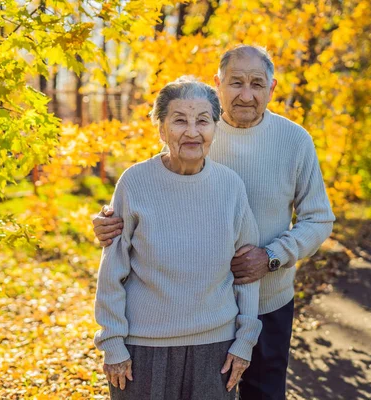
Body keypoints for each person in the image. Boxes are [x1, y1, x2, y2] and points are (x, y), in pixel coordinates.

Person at [93, 45, 336, 399]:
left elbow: (319, 218)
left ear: (272, 87)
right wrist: (105, 222)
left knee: (264, 395)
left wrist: (271, 256)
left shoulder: (294, 141)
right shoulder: (199, 127)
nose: (246, 94)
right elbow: (151, 194)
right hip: (199, 313)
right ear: (218, 84)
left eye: (257, 83)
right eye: (236, 82)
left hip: (267, 300)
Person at [93, 76, 263, 400]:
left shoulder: (231, 187)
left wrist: (245, 341)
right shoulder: (134, 182)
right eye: (179, 120)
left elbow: (246, 273)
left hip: (217, 350)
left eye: (203, 121)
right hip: (143, 349)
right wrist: (112, 343)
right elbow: (112, 270)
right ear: (161, 129)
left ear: (215, 128)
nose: (192, 132)